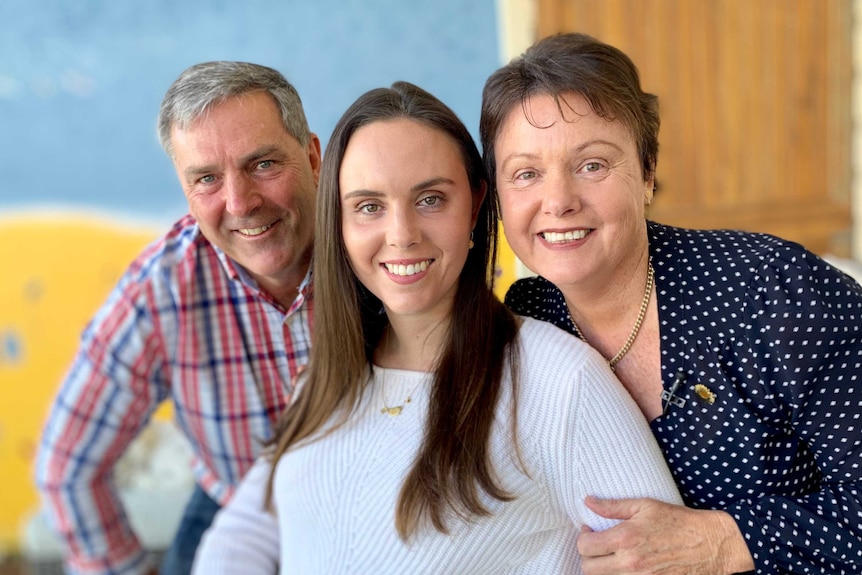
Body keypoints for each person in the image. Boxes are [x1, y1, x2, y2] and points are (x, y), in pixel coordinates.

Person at [191, 80, 682, 574]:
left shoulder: (559, 381)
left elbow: (665, 562)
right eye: (369, 207)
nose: (401, 235)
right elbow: (247, 532)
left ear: (474, 204)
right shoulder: (329, 374)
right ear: (337, 222)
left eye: (430, 200)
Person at [480, 32, 862, 574]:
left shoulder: (776, 292)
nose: (559, 201)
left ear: (648, 171)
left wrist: (726, 541)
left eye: (592, 164)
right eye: (526, 174)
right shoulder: (530, 320)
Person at [34, 61, 320, 575]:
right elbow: (67, 466)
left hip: (376, 507)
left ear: (314, 156)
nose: (240, 203)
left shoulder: (378, 248)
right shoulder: (162, 286)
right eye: (207, 178)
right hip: (230, 501)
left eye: (263, 165)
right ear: (185, 189)